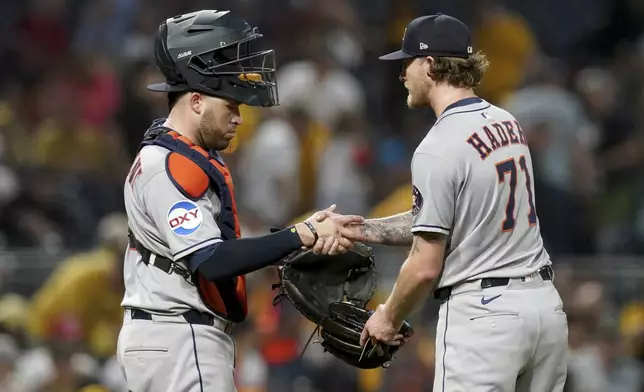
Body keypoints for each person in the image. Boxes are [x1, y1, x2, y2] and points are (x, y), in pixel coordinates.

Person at [117, 10, 361, 392]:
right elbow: (213, 262)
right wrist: (301, 234)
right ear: (195, 100)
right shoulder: (167, 165)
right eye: (230, 105)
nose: (238, 118)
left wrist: (298, 238)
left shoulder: (176, 156)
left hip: (172, 337)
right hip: (180, 337)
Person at [323, 13, 568, 392]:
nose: (402, 74)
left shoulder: (437, 147)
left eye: (407, 63)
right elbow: (448, 219)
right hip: (544, 309)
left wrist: (387, 317)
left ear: (430, 64)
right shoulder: (507, 122)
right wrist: (363, 230)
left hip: (485, 319)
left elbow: (424, 266)